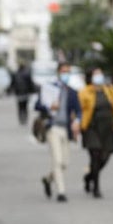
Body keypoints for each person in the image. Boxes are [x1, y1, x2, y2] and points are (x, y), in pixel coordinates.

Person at [79, 67, 113, 199]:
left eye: (100, 74)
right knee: (95, 156)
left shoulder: (110, 90)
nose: (98, 77)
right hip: (91, 128)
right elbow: (79, 110)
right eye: (96, 74)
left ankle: (89, 176)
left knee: (105, 157)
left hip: (107, 129)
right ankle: (96, 188)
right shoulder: (85, 92)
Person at [36, 62, 81, 203]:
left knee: (65, 163)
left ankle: (48, 179)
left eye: (68, 71)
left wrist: (77, 121)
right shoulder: (49, 88)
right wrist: (49, 105)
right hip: (53, 127)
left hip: (66, 129)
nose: (66, 74)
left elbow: (79, 111)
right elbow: (37, 105)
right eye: (63, 71)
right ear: (58, 72)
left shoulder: (72, 92)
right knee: (57, 160)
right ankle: (61, 192)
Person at [8, 61, 36, 125]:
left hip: (19, 93)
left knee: (20, 107)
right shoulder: (26, 74)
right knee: (25, 107)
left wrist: (10, 90)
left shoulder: (16, 74)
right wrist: (33, 90)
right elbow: (31, 84)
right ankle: (24, 118)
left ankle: (21, 118)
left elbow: (12, 84)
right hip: (25, 93)